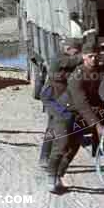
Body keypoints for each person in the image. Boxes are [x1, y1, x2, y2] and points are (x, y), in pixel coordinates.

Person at [43, 38, 104, 194]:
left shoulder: (95, 72)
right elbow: (82, 102)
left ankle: (59, 175)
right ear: (83, 56)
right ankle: (51, 177)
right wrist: (97, 125)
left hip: (78, 115)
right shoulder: (76, 76)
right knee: (62, 144)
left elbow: (94, 96)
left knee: (74, 147)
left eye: (96, 56)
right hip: (64, 112)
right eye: (90, 56)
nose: (94, 59)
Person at [38, 38, 84, 170]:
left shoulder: (65, 57)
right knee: (57, 122)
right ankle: (47, 158)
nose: (77, 53)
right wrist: (85, 56)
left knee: (52, 125)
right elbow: (72, 61)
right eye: (76, 50)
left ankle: (45, 157)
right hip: (51, 96)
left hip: (56, 96)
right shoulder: (59, 58)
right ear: (68, 48)